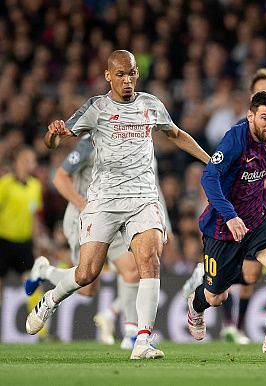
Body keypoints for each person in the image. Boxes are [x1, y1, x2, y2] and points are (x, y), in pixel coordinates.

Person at [25, 50, 210, 360]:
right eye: (121, 74)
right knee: (87, 275)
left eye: (132, 73)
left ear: (138, 74)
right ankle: (52, 299)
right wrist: (54, 135)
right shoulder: (96, 108)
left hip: (143, 198)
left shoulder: (151, 104)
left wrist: (210, 161)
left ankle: (141, 341)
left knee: (149, 262)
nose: (127, 80)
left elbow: (176, 134)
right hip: (104, 200)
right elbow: (55, 141)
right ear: (108, 76)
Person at [181, 68, 266, 345]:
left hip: (256, 219)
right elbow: (209, 177)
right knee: (217, 296)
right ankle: (196, 306)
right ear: (251, 116)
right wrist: (230, 216)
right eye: (265, 118)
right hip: (223, 226)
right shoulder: (235, 139)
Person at [24, 134, 141, 349]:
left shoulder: (131, 141)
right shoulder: (90, 143)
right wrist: (81, 203)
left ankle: (131, 334)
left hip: (110, 217)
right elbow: (59, 177)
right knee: (87, 287)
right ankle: (44, 271)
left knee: (132, 269)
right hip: (83, 217)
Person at [0, 146, 42, 304]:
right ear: (17, 162)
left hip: (24, 244)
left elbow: (35, 217)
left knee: (33, 283)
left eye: (31, 160)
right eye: (25, 160)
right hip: (3, 241)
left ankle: (40, 328)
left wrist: (36, 243)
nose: (29, 163)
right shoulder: (5, 183)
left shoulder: (35, 186)